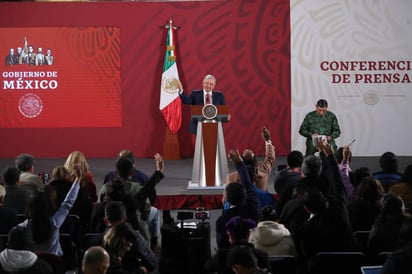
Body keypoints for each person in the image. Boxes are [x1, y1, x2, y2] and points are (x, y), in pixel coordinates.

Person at [292, 139, 359, 273]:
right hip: (350, 268)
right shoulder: (340, 211)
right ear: (326, 200)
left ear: (306, 208)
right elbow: (338, 182)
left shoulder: (303, 231)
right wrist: (327, 155)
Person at [17, 165, 82, 257]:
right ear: (49, 206)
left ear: (30, 207)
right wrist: (77, 179)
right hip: (54, 264)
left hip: (31, 265)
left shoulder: (23, 226)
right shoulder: (54, 223)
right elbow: (68, 203)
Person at [216, 149, 260, 249]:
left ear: (228, 200)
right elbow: (247, 184)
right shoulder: (253, 208)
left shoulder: (222, 220)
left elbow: (221, 245)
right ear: (245, 196)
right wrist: (239, 163)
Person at [224, 127, 276, 209]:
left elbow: (225, 200)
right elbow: (270, 157)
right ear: (256, 162)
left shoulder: (231, 178)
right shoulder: (263, 171)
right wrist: (268, 141)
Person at [205, 216, 271, 274]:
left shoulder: (221, 256)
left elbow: (207, 267)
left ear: (230, 235)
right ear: (248, 235)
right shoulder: (261, 256)